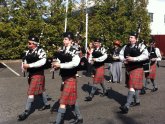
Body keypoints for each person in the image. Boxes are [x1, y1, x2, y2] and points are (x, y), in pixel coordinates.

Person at [52, 32, 83, 124]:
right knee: (71, 100)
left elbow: (75, 63)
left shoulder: (75, 50)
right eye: (63, 39)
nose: (63, 40)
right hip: (64, 78)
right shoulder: (62, 50)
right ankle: (79, 118)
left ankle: (58, 122)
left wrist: (60, 65)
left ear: (71, 40)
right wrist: (55, 66)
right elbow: (58, 60)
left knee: (63, 101)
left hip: (71, 78)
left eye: (65, 39)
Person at [18, 35, 50, 121]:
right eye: (28, 43)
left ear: (34, 44)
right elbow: (24, 61)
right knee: (41, 90)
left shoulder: (41, 51)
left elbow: (43, 61)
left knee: (31, 92)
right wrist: (23, 67)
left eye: (29, 43)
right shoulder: (27, 52)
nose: (28, 44)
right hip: (31, 74)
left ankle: (26, 112)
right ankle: (47, 104)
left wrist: (29, 65)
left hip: (38, 74)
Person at [119, 32, 149, 114]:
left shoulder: (141, 46)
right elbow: (121, 54)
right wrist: (123, 60)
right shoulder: (125, 46)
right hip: (129, 68)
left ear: (136, 39)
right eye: (129, 37)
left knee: (132, 86)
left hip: (137, 68)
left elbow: (146, 55)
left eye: (131, 37)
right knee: (133, 86)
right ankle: (137, 100)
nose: (130, 39)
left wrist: (134, 59)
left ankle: (127, 106)